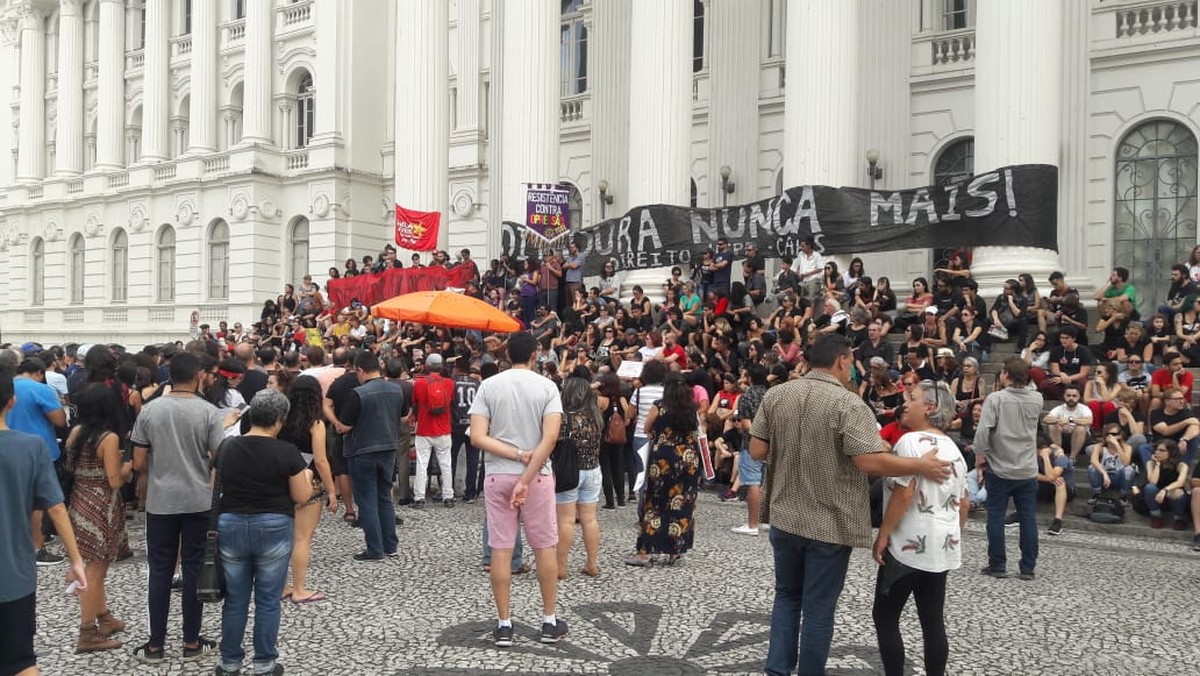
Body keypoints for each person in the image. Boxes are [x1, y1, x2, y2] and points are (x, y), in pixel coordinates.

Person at [749, 334, 952, 675]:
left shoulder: (777, 394)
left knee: (786, 597)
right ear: (843, 361)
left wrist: (797, 450)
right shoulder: (848, 403)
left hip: (784, 516)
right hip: (828, 521)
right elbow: (869, 462)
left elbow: (757, 451)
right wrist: (920, 465)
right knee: (818, 607)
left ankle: (777, 670)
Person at [468, 332, 568, 647]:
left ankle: (504, 623)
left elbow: (477, 437)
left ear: (507, 354)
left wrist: (514, 455)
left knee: (500, 549)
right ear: (535, 355)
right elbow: (550, 439)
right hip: (537, 476)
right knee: (544, 547)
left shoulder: (489, 386)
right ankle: (549, 620)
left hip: (499, 473)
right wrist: (526, 473)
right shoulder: (547, 387)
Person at [130, 352, 227, 662]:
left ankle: (155, 644)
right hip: (198, 498)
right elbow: (219, 457)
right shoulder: (210, 412)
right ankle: (191, 642)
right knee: (194, 567)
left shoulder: (150, 410)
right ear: (199, 375)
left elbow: (138, 461)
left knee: (160, 570)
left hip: (161, 500)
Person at [872, 380, 969, 676]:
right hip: (941, 546)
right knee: (932, 620)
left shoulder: (910, 443)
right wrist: (953, 534)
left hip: (907, 543)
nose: (905, 403)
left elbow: (904, 493)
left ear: (930, 407)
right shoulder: (955, 450)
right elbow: (964, 504)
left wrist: (884, 534)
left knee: (886, 616)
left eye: (911, 398)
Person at [215, 389, 312, 676]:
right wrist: (306, 476)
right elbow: (301, 495)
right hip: (273, 524)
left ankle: (229, 661)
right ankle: (264, 663)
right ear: (279, 421)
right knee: (268, 599)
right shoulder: (286, 452)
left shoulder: (226, 448)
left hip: (231, 522)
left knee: (236, 598)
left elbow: (214, 486)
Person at [0, 371, 89, 676]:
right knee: (20, 662)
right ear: (11, 402)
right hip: (12, 576)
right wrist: (76, 560)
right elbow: (56, 507)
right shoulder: (31, 447)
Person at [66, 384, 134, 653]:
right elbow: (115, 479)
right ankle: (87, 632)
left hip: (79, 499)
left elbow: (71, 467)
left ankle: (104, 616)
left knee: (95, 565)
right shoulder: (108, 438)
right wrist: (127, 466)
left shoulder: (75, 433)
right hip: (102, 504)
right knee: (95, 570)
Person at [974, 357, 1044, 581]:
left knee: (995, 516)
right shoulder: (1037, 399)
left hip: (1000, 466)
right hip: (1027, 466)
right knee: (1028, 518)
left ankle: (998, 564)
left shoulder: (996, 399)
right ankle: (1028, 567)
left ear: (1006, 374)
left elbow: (984, 431)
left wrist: (979, 454)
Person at [626, 373, 702, 566]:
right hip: (688, 459)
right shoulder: (691, 409)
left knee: (655, 503)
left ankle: (646, 551)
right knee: (682, 503)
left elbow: (646, 428)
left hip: (664, 459)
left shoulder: (659, 406)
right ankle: (675, 549)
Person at [340, 352, 406, 561]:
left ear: (360, 370)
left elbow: (346, 425)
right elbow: (403, 415)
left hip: (362, 450)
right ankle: (390, 545)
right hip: (388, 447)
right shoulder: (397, 389)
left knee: (367, 500)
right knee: (384, 497)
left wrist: (337, 425)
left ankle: (374, 549)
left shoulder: (358, 393)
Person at [278, 376, 338, 605]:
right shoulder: (316, 423)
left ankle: (282, 585)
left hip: (282, 479)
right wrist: (331, 491)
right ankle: (300, 588)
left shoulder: (281, 418)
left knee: (284, 537)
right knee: (302, 538)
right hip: (307, 482)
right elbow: (321, 461)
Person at [8, 358, 68, 565]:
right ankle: (36, 548)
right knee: (38, 502)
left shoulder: (6, 385)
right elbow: (59, 420)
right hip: (38, 450)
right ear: (39, 373)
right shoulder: (41, 389)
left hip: (6, 446)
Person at [554, 377, 603, 579]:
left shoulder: (564, 418)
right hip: (593, 469)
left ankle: (561, 568)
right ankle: (592, 564)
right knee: (590, 519)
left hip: (569, 471)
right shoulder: (596, 417)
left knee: (565, 521)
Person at [411, 354, 456, 507]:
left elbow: (415, 404)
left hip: (424, 428)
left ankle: (419, 497)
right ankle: (448, 496)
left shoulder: (419, 383)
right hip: (443, 429)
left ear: (427, 366)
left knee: (422, 464)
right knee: (446, 464)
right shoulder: (450, 383)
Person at [731, 364, 769, 536]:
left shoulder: (746, 397)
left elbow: (746, 424)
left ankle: (752, 524)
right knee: (767, 483)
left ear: (750, 378)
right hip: (773, 442)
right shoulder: (772, 395)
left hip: (752, 443)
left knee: (752, 482)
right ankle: (765, 520)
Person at [596, 372, 633, 510]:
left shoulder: (601, 400)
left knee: (606, 469)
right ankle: (621, 500)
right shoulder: (621, 399)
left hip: (605, 438)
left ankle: (610, 501)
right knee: (618, 467)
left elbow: (596, 419)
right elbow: (628, 418)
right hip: (619, 439)